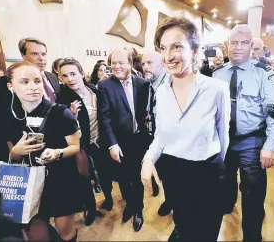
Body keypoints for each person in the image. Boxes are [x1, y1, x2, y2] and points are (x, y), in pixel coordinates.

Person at [141, 16, 230, 241]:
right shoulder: (161, 92)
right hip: (174, 174)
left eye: (177, 47)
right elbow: (160, 135)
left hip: (208, 175)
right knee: (182, 225)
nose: (168, 56)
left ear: (195, 50)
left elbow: (223, 138)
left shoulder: (216, 89)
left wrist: (214, 171)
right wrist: (148, 159)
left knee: (205, 234)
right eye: (163, 48)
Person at [213, 24, 274, 242]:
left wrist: (271, 145)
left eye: (244, 43)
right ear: (227, 45)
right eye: (233, 42)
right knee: (224, 181)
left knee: (253, 192)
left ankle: (252, 236)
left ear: (252, 46)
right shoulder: (218, 74)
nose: (237, 48)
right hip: (224, 140)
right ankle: (228, 204)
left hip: (252, 140)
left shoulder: (265, 74)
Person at [4, 61, 83, 241]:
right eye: (24, 82)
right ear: (11, 86)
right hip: (29, 183)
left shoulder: (61, 113)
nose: (33, 87)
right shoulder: (10, 117)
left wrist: (57, 153)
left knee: (66, 232)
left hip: (61, 181)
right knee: (38, 235)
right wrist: (15, 151)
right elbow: (12, 157)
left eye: (37, 81)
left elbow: (76, 147)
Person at [98, 48, 149, 232]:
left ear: (130, 63)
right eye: (113, 63)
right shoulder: (104, 85)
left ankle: (138, 210)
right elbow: (104, 118)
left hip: (139, 140)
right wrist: (112, 143)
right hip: (118, 142)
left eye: (121, 62)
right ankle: (129, 204)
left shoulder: (143, 84)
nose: (116, 66)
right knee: (123, 178)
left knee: (138, 177)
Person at [57, 57, 112, 226]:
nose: (70, 79)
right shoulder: (62, 97)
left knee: (105, 173)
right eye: (65, 76)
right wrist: (70, 116)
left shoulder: (95, 90)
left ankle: (109, 198)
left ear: (81, 73)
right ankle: (90, 208)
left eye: (73, 74)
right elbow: (60, 126)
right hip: (81, 146)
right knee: (85, 178)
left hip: (100, 142)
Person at [141, 50, 171, 216]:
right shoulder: (149, 84)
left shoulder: (170, 84)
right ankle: (170, 200)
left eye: (150, 63)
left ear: (162, 64)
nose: (145, 67)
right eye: (143, 63)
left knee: (174, 177)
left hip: (171, 142)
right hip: (155, 138)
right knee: (165, 175)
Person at [19, 37, 60, 103]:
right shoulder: (13, 81)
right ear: (23, 56)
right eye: (34, 54)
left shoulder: (52, 76)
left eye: (43, 54)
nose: (41, 58)